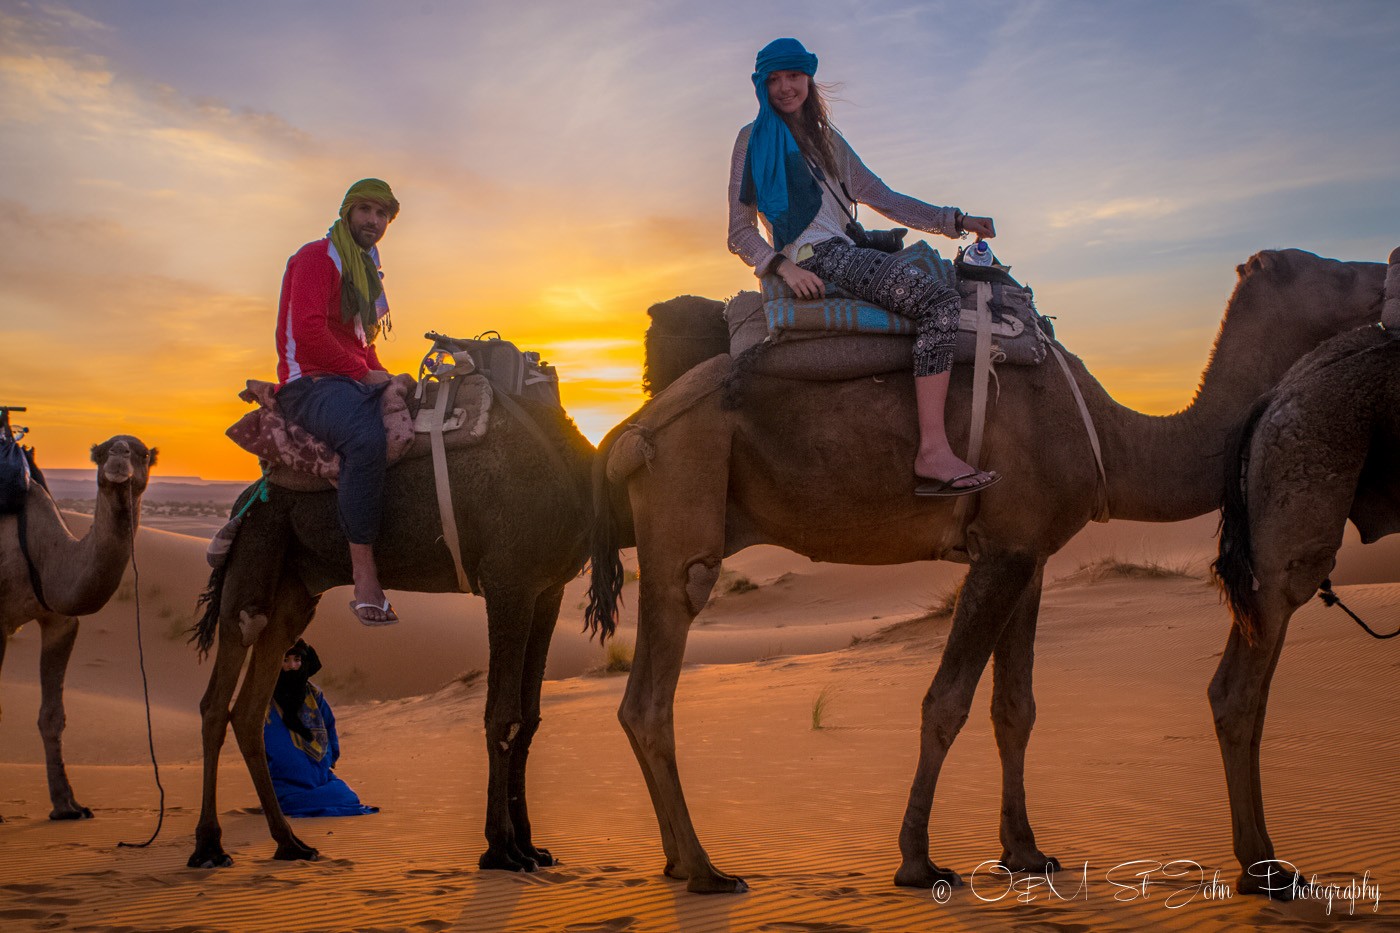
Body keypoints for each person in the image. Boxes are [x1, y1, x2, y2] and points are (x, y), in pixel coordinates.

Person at [728, 38, 1001, 497]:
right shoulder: (751, 141)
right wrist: (782, 267)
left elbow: (884, 197)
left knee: (939, 276)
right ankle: (933, 450)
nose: (784, 88)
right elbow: (739, 230)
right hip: (819, 257)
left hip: (845, 247)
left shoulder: (827, 139)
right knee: (939, 303)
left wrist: (954, 220)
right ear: (761, 86)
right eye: (773, 80)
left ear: (808, 78)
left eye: (792, 76)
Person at [274, 178, 403, 624]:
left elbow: (362, 344)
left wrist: (384, 375)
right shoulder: (316, 257)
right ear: (348, 211)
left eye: (382, 214)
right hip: (308, 383)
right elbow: (308, 331)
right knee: (366, 439)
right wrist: (364, 374)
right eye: (366, 210)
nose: (373, 220)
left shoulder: (363, 271)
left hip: (346, 380)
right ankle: (364, 572)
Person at [264, 641, 378, 818]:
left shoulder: (313, 693)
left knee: (348, 798)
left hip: (318, 773)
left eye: (297, 660)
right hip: (284, 778)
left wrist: (331, 755)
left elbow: (328, 724)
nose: (292, 666)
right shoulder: (265, 698)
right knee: (295, 800)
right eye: (285, 660)